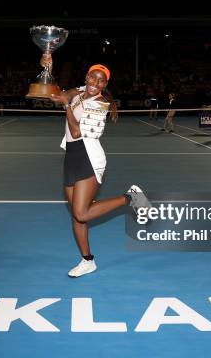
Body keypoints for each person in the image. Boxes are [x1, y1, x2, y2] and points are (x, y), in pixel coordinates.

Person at [45, 58, 152, 278]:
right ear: (86, 77)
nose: (96, 82)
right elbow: (60, 93)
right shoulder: (82, 91)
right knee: (76, 217)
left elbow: (75, 132)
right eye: (93, 76)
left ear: (105, 85)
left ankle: (130, 197)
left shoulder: (99, 103)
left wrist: (66, 104)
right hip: (71, 157)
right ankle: (87, 261)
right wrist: (48, 67)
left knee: (82, 212)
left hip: (89, 158)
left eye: (101, 80)